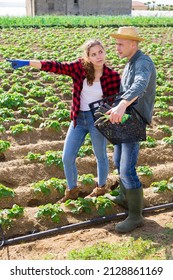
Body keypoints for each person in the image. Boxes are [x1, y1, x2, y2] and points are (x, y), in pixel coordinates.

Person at [7, 39, 120, 202]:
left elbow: (118, 100)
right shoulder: (79, 68)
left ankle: (101, 188)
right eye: (93, 54)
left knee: (100, 155)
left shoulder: (112, 76)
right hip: (79, 118)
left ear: (104, 52)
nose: (98, 56)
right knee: (67, 157)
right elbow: (56, 66)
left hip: (98, 119)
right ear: (87, 57)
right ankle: (72, 191)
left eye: (100, 52)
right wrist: (27, 63)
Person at [105, 27, 156, 233]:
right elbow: (125, 89)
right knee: (118, 161)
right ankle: (124, 197)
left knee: (127, 169)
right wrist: (114, 105)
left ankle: (136, 216)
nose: (116, 48)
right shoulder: (130, 63)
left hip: (134, 120)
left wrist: (122, 104)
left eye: (120, 44)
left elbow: (140, 84)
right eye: (116, 44)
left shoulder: (143, 62)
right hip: (126, 118)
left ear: (133, 44)